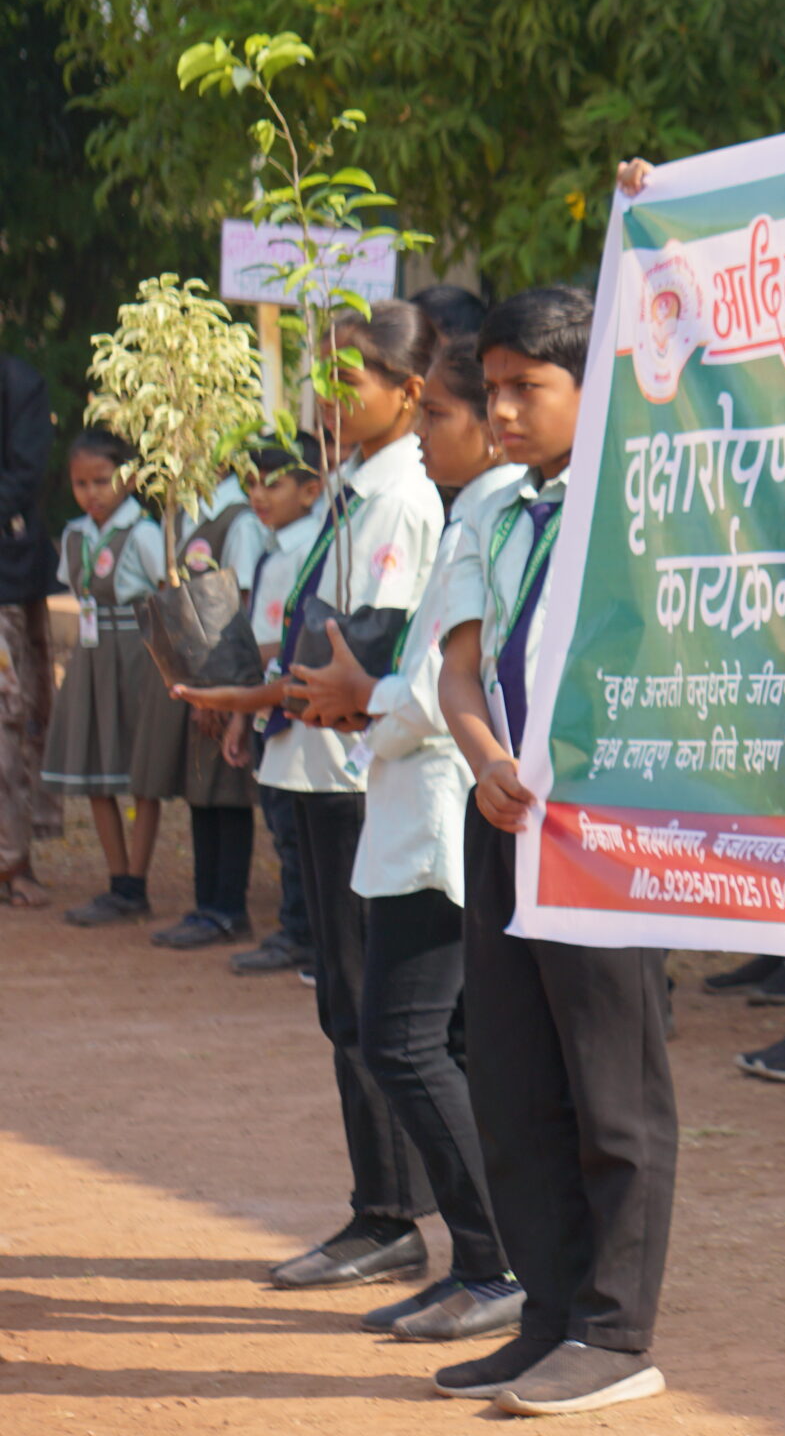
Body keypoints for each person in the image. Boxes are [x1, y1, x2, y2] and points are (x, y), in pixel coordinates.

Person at [432, 285, 675, 1416]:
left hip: (605, 829)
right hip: (505, 822)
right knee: (514, 1078)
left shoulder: (637, 505)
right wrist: (486, 760)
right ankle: (546, 1315)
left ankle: (615, 1332)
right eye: (491, 390)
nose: (503, 411)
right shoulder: (493, 516)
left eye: (528, 387)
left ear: (593, 387)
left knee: (611, 1087)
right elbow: (459, 671)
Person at [175, 302, 447, 1295]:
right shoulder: (349, 489)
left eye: (347, 378)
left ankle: (394, 1216)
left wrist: (255, 698)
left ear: (408, 392)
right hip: (312, 767)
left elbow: (368, 650)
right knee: (343, 1000)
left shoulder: (401, 501)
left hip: (356, 777)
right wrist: (257, 705)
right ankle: (382, 1207)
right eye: (317, 378)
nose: (325, 397)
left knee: (371, 1008)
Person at [290, 333, 525, 1342]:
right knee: (419, 1040)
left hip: (436, 808)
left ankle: (496, 1262)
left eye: (438, 413)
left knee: (402, 1040)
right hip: (409, 802)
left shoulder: (483, 515)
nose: (426, 430)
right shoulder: (470, 509)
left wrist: (365, 695)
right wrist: (366, 698)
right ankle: (483, 1260)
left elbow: (438, 686)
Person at [40, 430, 177, 924]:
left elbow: (166, 595)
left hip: (136, 656)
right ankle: (117, 880)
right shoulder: (75, 534)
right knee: (96, 770)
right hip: (91, 656)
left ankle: (136, 883)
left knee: (141, 773)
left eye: (101, 481)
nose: (91, 493)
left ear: (129, 479)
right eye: (81, 483)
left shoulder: (143, 532)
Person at [151, 454, 270, 951]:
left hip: (227, 677)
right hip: (196, 675)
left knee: (227, 790)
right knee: (202, 790)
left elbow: (239, 606)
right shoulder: (186, 514)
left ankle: (228, 908)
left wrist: (225, 690)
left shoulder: (238, 522)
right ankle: (206, 904)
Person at [226, 441, 325, 975]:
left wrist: (236, 672)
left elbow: (286, 641)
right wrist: (241, 714)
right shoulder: (274, 548)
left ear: (311, 491)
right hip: (267, 704)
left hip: (296, 706)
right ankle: (298, 929)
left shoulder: (311, 550)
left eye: (274, 484)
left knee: (296, 828)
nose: (259, 495)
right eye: (252, 483)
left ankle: (304, 934)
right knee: (282, 823)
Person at [0, 354, 55, 909]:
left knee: (6, 719)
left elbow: (23, 476)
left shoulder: (18, 383)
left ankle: (12, 861)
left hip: (5, 579)